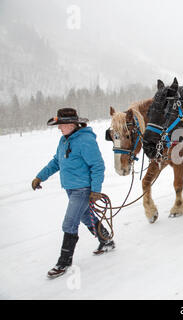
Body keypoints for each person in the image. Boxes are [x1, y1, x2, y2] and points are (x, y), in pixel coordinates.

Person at [31, 108, 115, 279]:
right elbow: (56, 162)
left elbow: (97, 166)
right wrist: (40, 177)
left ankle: (64, 261)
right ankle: (106, 240)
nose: (59, 128)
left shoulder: (85, 140)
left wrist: (95, 191)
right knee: (86, 216)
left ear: (70, 124)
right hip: (70, 188)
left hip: (83, 190)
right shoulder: (64, 140)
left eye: (61, 125)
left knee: (69, 223)